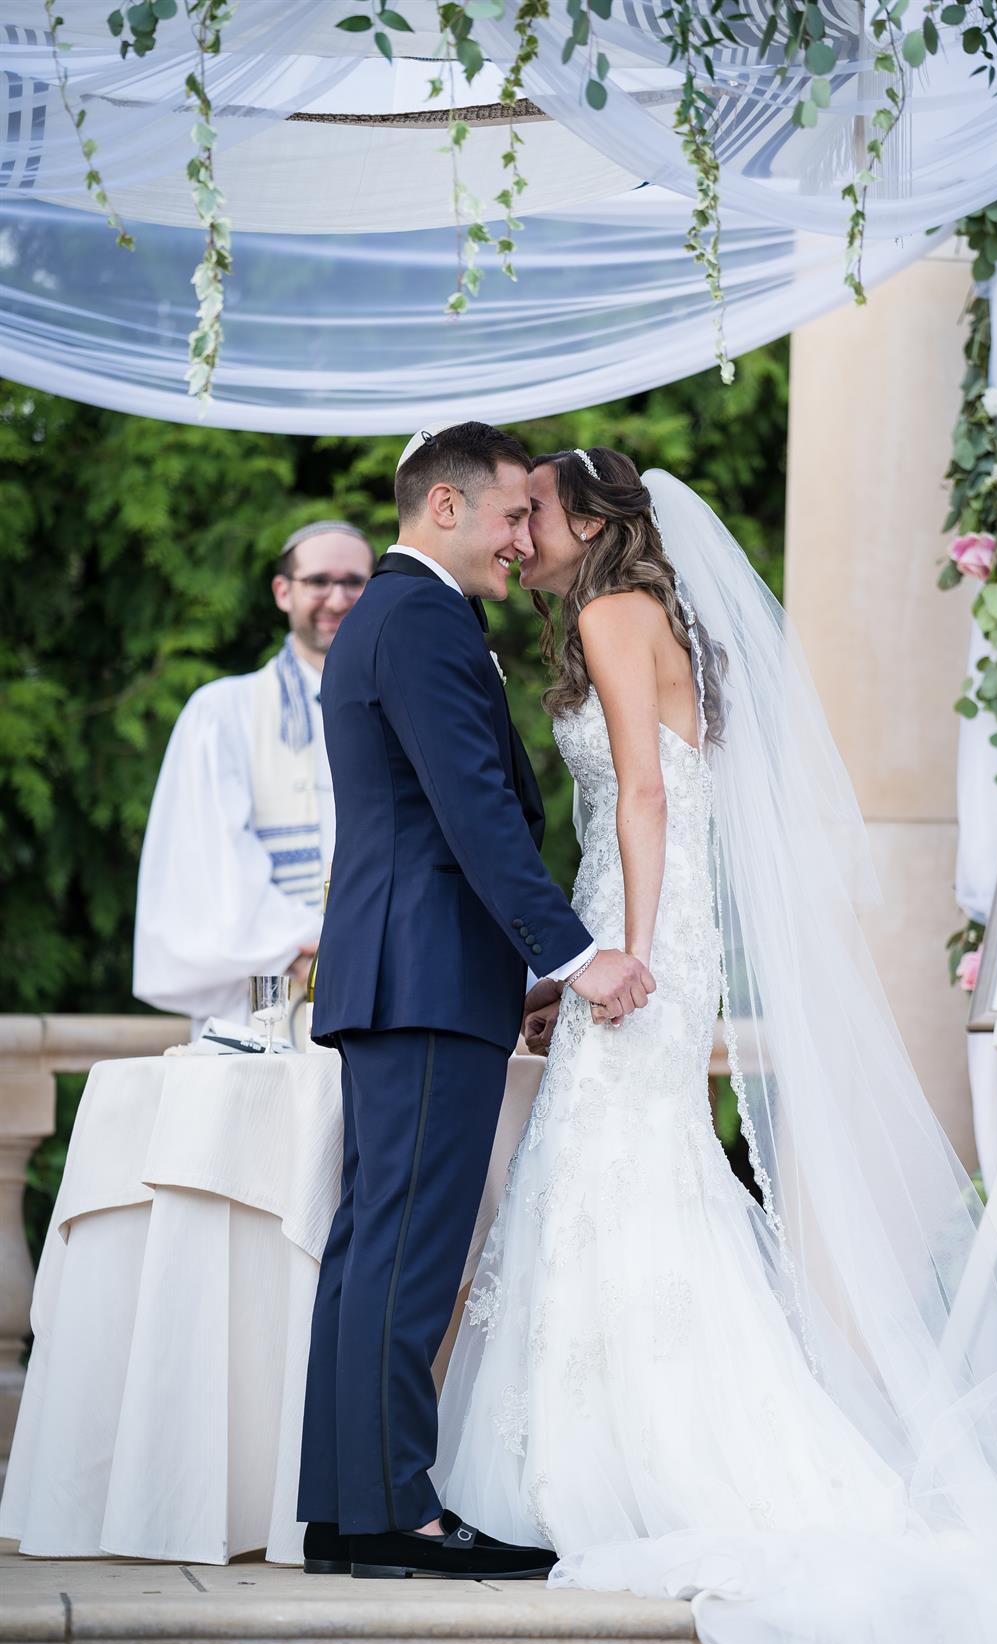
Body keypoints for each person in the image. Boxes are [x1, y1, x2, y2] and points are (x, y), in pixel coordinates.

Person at [433, 448, 997, 1644]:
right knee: (626, 1173)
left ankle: (623, 1461)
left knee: (615, 1170)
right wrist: (600, 947)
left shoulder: (613, 612)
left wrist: (615, 953)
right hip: (646, 924)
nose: (522, 527)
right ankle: (616, 1442)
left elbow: (646, 794)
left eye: (540, 507)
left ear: (596, 521)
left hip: (644, 931)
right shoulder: (657, 618)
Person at [296, 422, 654, 1582]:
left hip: (408, 972)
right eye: (510, 514)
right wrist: (576, 956)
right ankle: (397, 1513)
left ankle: (347, 1509)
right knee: (406, 1252)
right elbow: (475, 814)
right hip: (427, 976)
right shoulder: (421, 620)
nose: (520, 537)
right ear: (444, 507)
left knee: (374, 1245)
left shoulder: (401, 615)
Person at [133, 520, 373, 1032]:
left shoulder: (399, 710)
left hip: (381, 992)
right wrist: (320, 947)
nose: (337, 598)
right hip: (265, 1001)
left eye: (354, 582)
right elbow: (209, 863)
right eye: (319, 581)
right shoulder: (223, 712)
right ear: (283, 591)